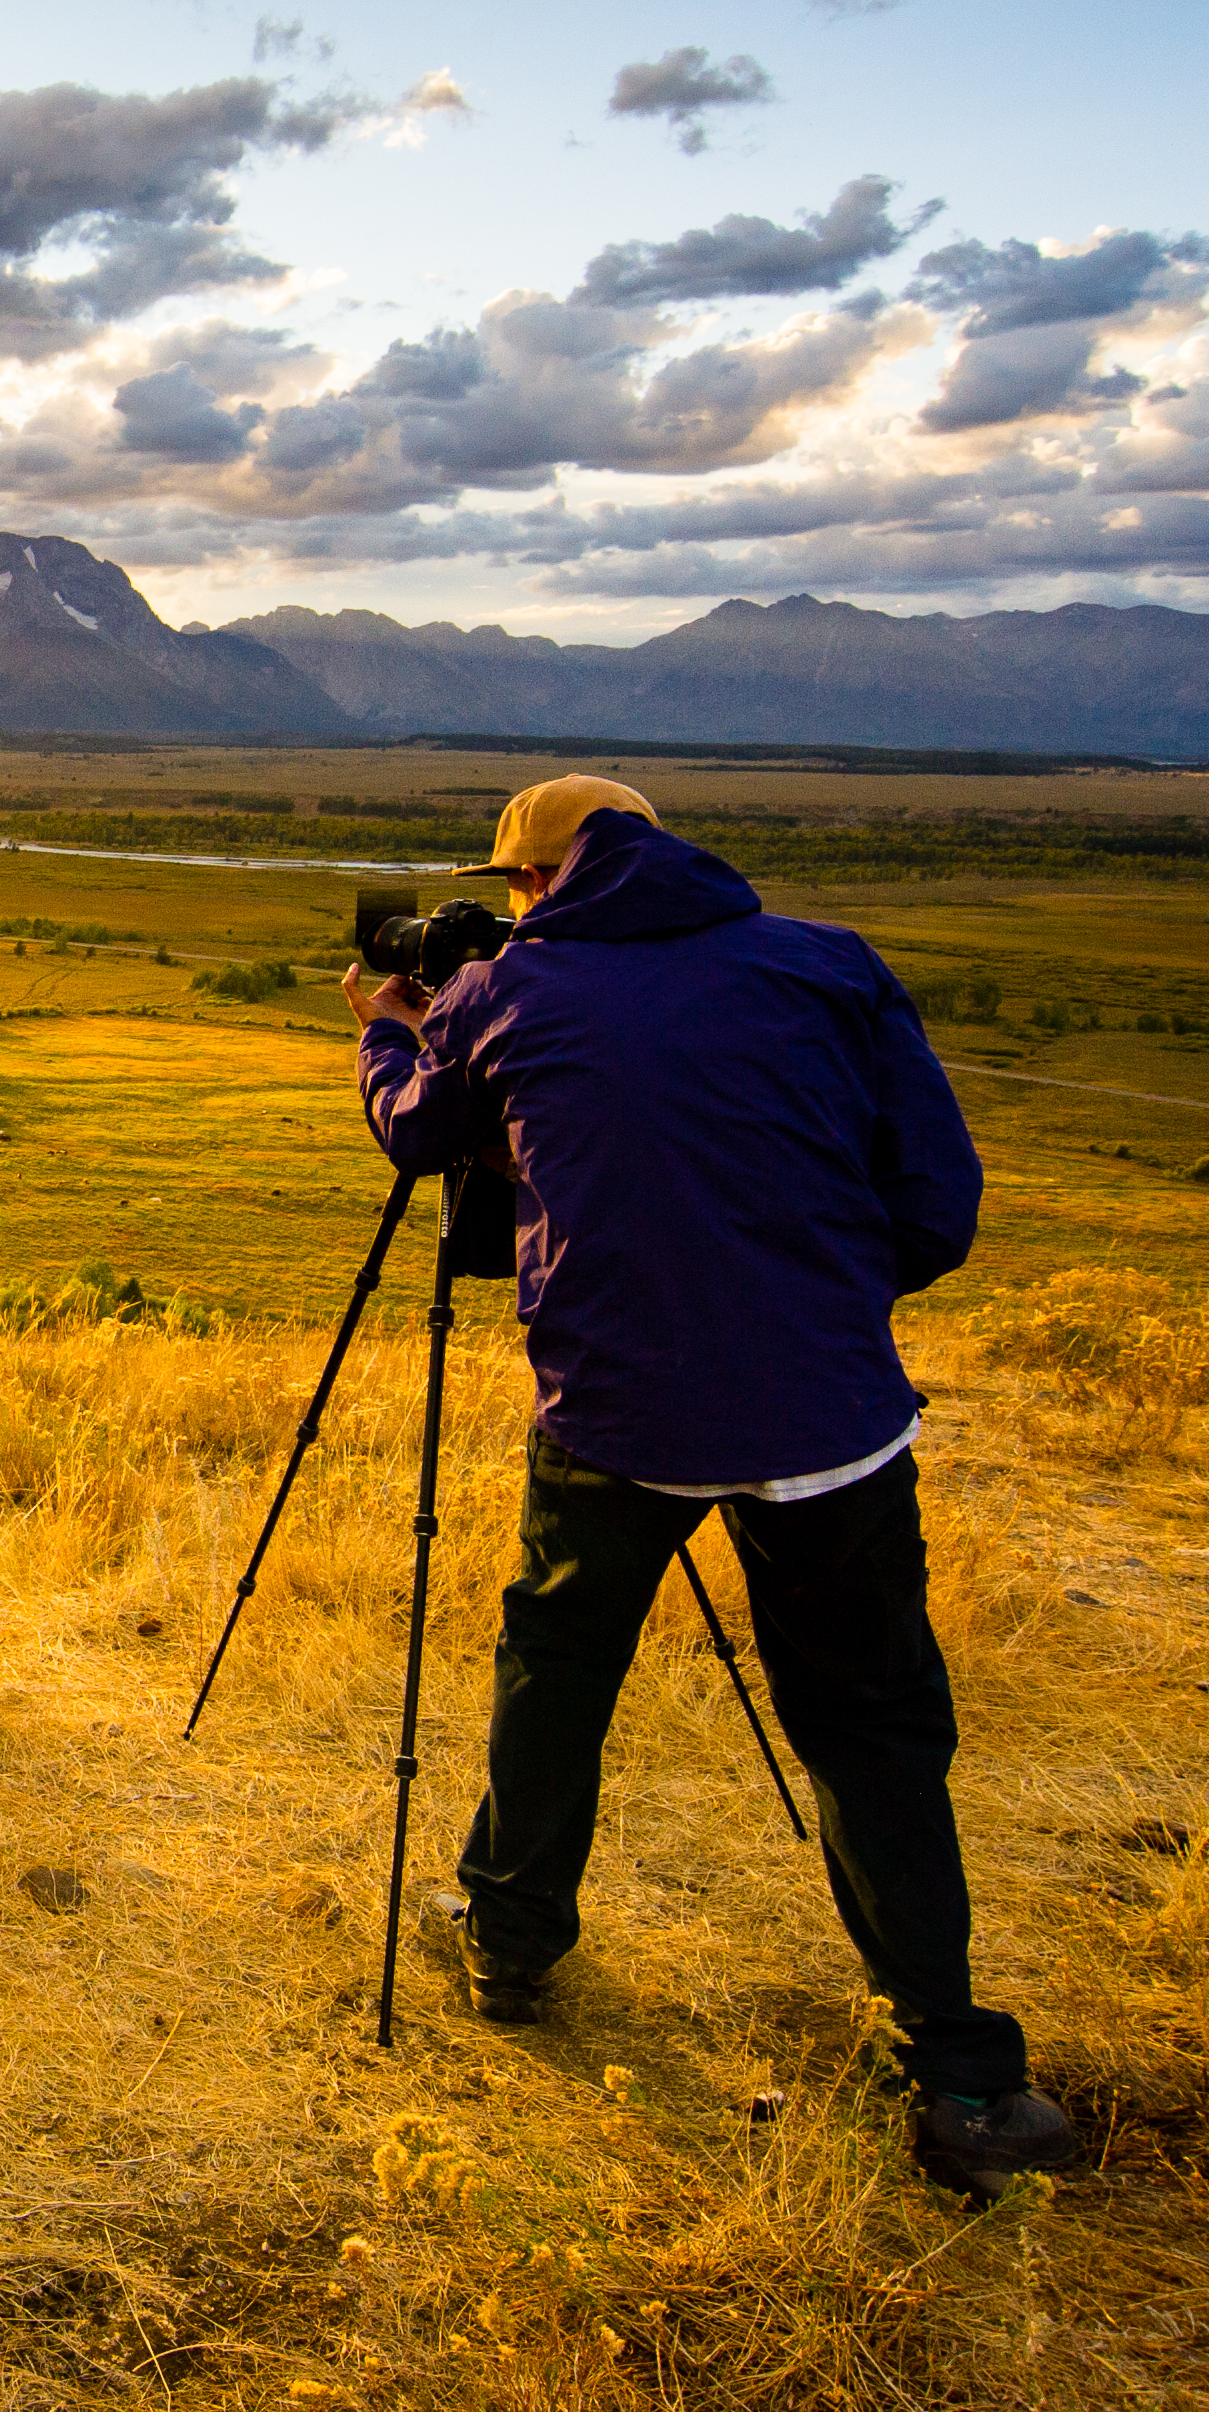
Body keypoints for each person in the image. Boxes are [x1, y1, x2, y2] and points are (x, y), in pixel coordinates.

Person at [339, 773, 1077, 2198]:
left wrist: (388, 1037)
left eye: (512, 889)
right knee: (873, 1726)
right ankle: (963, 2072)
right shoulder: (828, 964)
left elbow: (423, 1132)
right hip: (834, 1421)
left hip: (616, 1414)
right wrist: (807, 1304)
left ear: (536, 882)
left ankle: (508, 1945)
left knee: (559, 1669)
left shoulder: (510, 994)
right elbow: (938, 1208)